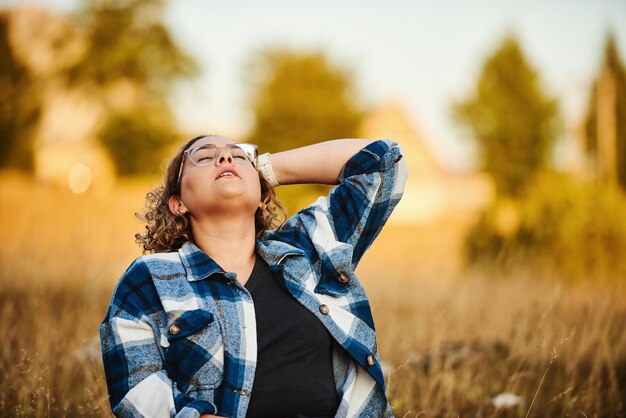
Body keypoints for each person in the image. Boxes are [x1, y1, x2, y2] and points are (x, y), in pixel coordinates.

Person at [100, 135, 408, 418]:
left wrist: (262, 172)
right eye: (205, 157)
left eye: (238, 155)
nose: (225, 159)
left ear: (262, 196)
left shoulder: (308, 247)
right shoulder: (150, 279)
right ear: (178, 202)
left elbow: (383, 162)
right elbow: (134, 387)